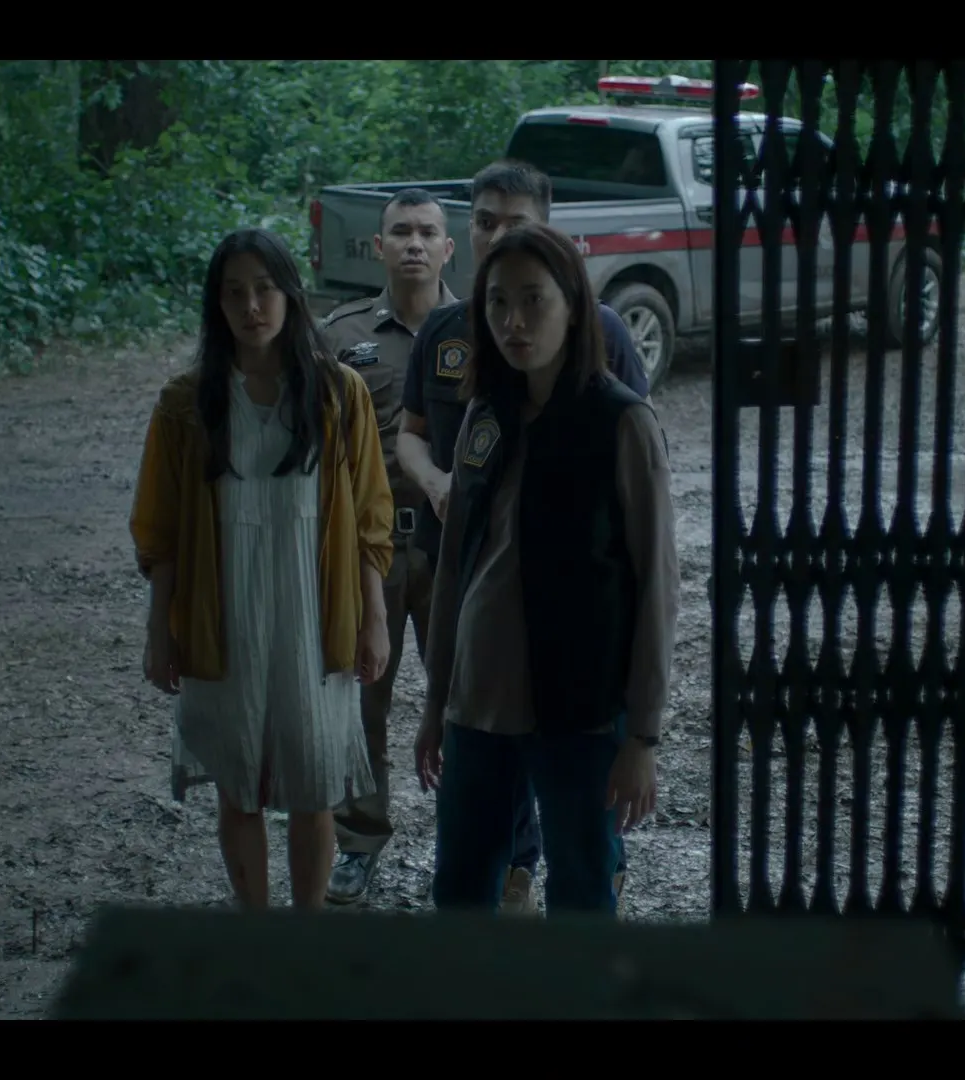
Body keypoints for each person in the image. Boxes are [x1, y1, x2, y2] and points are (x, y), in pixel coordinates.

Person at [396, 159, 652, 915]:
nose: (513, 322)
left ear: (570, 301)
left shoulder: (618, 417)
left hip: (579, 702)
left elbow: (654, 584)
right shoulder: (482, 408)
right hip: (478, 700)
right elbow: (456, 569)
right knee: (461, 887)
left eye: (533, 300)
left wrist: (643, 736)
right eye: (498, 303)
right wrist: (436, 703)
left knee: (581, 886)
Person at [130, 227, 395, 912]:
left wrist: (374, 618)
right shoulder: (187, 403)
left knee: (314, 783)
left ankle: (304, 933)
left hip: (315, 613)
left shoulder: (339, 393)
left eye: (265, 289)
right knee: (238, 783)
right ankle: (256, 928)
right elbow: (161, 530)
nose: (252, 306)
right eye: (235, 293)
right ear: (216, 304)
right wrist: (160, 631)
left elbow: (371, 516)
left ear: (291, 295)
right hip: (225, 614)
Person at [316, 188, 459, 905]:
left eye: (427, 232)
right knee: (361, 700)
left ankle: (467, 843)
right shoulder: (340, 335)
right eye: (400, 232)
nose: (413, 244)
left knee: (462, 699)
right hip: (368, 551)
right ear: (378, 247)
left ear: (448, 249)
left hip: (453, 547)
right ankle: (358, 840)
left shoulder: (479, 329)